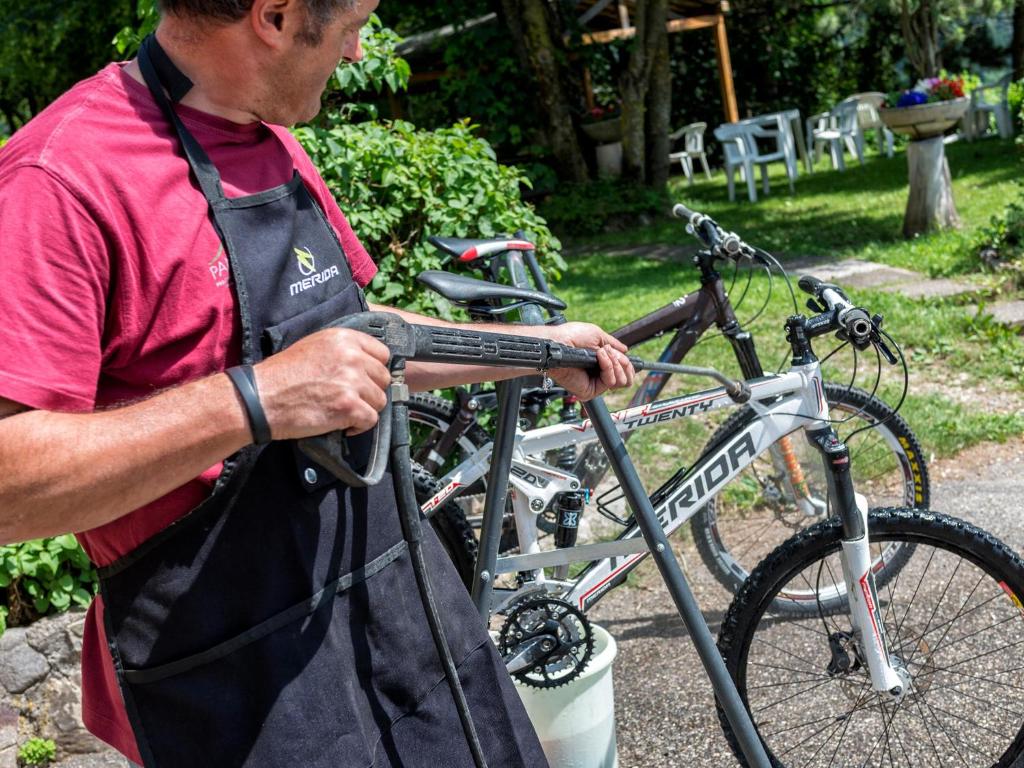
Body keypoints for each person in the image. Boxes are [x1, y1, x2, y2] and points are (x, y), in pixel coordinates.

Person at [0, 0, 634, 765]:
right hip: (237, 676)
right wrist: (254, 399)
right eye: (352, 24)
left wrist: (536, 349)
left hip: (393, 614)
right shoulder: (59, 180)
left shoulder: (271, 142)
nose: (361, 51)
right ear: (273, 15)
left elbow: (361, 338)